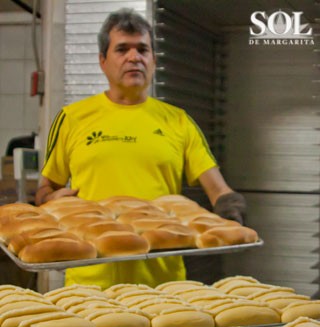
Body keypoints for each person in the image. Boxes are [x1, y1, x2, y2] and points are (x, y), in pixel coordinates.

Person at [35, 8, 246, 290]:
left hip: (163, 283)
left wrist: (230, 206)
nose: (134, 57)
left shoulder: (178, 120)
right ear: (102, 60)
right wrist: (51, 199)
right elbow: (44, 191)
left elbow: (218, 189)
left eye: (142, 50)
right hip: (90, 282)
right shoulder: (73, 118)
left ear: (154, 60)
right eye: (122, 49)